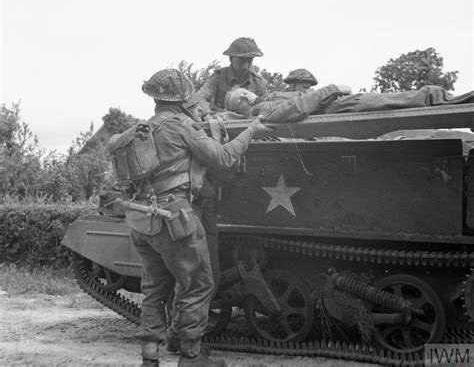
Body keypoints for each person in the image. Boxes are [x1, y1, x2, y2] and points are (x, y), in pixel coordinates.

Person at [115, 69, 272, 367]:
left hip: (143, 218)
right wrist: (251, 129)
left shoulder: (144, 129)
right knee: (198, 285)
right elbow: (224, 157)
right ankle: (190, 357)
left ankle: (150, 358)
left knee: (154, 288)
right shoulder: (181, 126)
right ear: (183, 98)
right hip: (175, 218)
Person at [224, 84, 474, 122]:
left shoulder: (266, 99)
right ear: (243, 99)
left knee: (395, 100)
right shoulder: (260, 109)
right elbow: (295, 108)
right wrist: (331, 89)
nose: (247, 93)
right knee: (399, 99)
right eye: (242, 95)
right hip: (338, 107)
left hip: (336, 106)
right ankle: (449, 99)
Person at [197, 37, 268, 112]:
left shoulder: (259, 83)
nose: (246, 66)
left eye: (249, 60)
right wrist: (209, 114)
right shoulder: (219, 77)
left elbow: (267, 106)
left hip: (250, 122)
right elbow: (200, 97)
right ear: (231, 59)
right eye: (241, 60)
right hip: (222, 121)